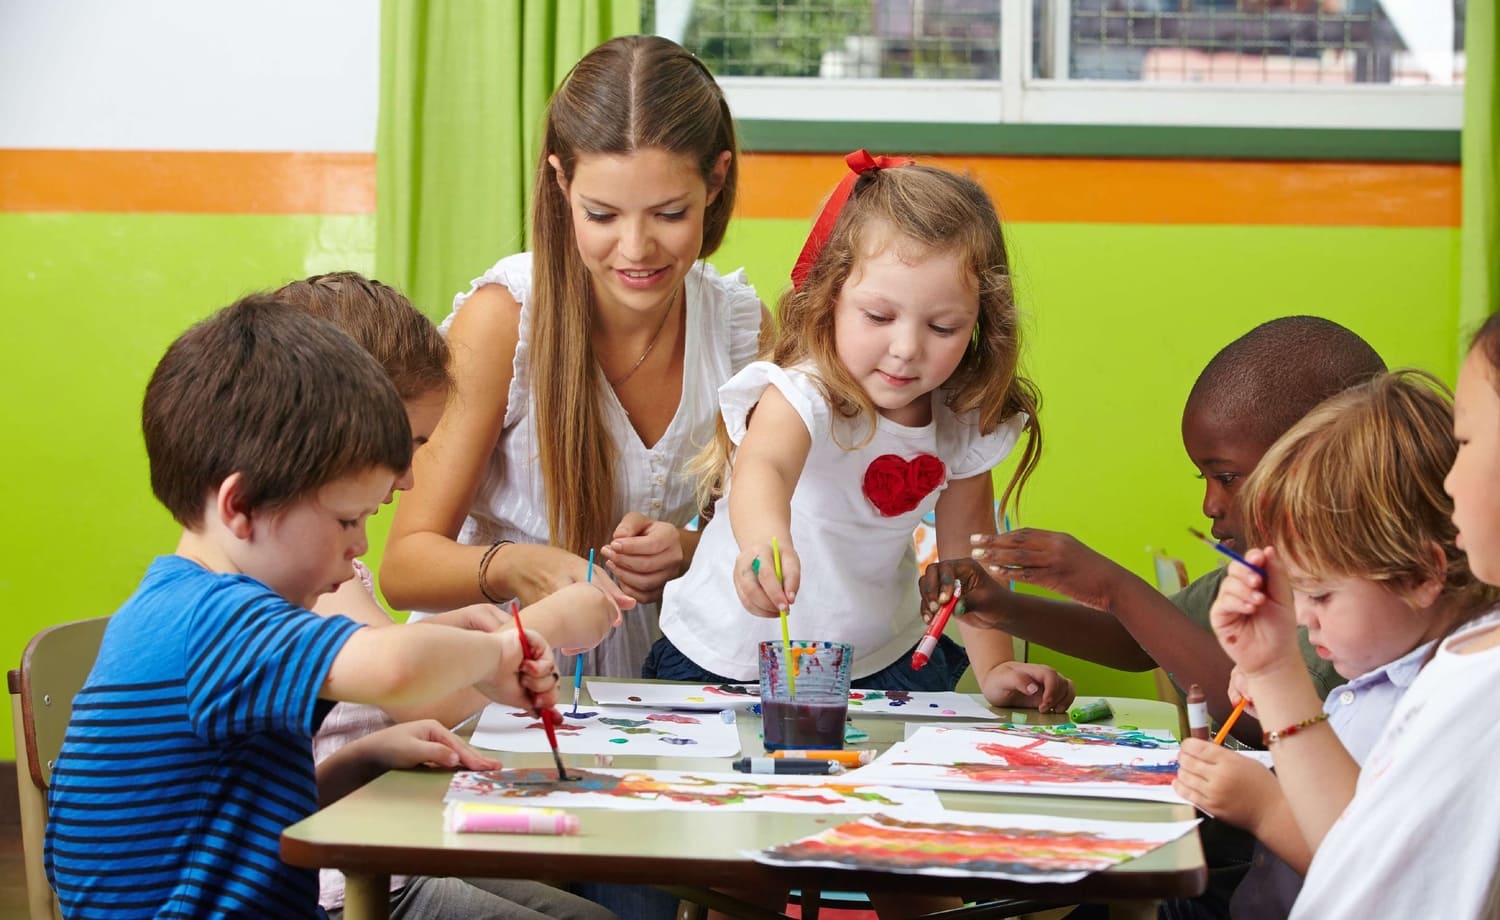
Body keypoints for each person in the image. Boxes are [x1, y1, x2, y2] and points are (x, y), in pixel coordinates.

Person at [43, 296, 587, 919]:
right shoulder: (218, 620)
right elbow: (396, 671)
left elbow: (233, 820)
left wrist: (359, 761)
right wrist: (497, 652)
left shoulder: (183, 606)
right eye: (346, 519)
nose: (359, 545)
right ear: (240, 507)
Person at [380, 34, 764, 686]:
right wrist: (511, 566)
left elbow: (765, 532)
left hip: (657, 691)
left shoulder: (736, 328)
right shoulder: (506, 321)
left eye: (670, 213)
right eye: (603, 214)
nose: (636, 248)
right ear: (561, 182)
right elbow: (403, 568)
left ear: (717, 180)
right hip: (496, 682)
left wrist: (692, 551)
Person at [649, 151, 1073, 713]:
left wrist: (995, 666)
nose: (906, 349)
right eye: (879, 317)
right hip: (728, 657)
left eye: (943, 327)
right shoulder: (804, 391)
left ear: (979, 325)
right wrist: (762, 546)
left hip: (876, 663)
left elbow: (967, 557)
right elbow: (765, 468)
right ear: (830, 297)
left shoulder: (958, 419)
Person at [273, 272, 620, 920]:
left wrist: (454, 629)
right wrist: (540, 624)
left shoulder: (322, 559)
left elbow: (376, 653)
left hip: (387, 844)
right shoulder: (304, 571)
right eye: (404, 446)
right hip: (348, 882)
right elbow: (412, 688)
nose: (409, 478)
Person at [930, 316, 1387, 741]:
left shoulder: (1360, 597)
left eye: (1226, 478)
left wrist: (1113, 587)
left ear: (1313, 462)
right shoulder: (1257, 567)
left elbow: (1265, 722)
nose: (1210, 504)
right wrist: (1003, 607)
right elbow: (1143, 643)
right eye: (1203, 479)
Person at [1203, 316, 1500, 918]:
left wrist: (1262, 803)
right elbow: (1360, 840)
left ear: (1421, 576)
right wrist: (1274, 672)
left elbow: (1369, 874)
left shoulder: (1478, 682)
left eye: (1467, 442)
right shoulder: (1465, 659)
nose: (1450, 478)